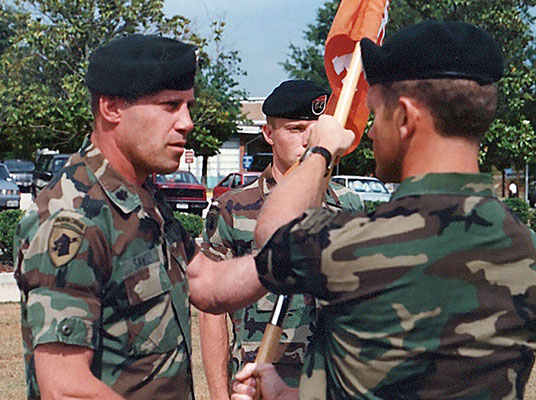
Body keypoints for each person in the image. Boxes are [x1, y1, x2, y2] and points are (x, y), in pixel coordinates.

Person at [189, 20, 536, 399]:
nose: (368, 132)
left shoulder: (360, 241)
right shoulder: (526, 248)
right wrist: (279, 391)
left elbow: (275, 232)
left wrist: (321, 151)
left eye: (376, 113)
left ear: (404, 117)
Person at [14, 35, 201, 400]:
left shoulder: (140, 199)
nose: (187, 123)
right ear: (112, 108)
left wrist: (281, 257)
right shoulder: (74, 216)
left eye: (188, 106)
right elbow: (65, 388)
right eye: (170, 105)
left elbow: (205, 279)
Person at [198, 80, 363, 399]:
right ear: (268, 134)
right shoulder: (234, 207)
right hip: (258, 378)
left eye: (315, 129)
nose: (308, 140)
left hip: (330, 381)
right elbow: (212, 309)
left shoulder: (348, 204)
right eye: (296, 129)